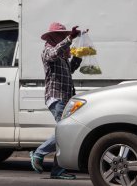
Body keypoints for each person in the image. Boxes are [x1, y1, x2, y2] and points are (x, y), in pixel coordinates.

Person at [30, 22, 82, 180]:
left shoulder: (62, 55)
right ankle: (39, 154)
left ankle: (58, 169)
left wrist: (78, 58)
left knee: (66, 132)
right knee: (64, 131)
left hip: (65, 98)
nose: (63, 37)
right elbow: (53, 54)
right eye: (60, 35)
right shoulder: (47, 50)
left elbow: (68, 72)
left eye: (64, 35)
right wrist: (69, 38)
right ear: (53, 36)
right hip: (56, 97)